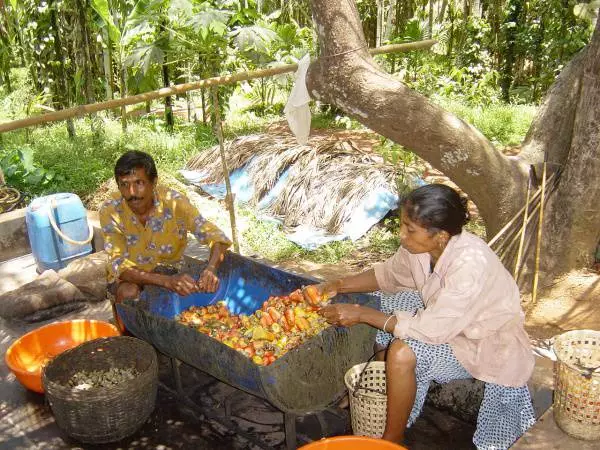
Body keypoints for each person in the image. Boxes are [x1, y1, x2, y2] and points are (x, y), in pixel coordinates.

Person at [308, 184, 535, 449]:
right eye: (402, 225)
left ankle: (393, 439)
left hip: (480, 340)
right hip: (446, 319)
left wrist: (363, 314)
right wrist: (337, 285)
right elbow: (389, 276)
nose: (402, 235)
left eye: (410, 229)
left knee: (403, 351)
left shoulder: (471, 264)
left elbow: (431, 330)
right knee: (388, 304)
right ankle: (383, 391)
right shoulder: (420, 249)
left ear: (440, 235)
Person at [100, 150, 232, 332]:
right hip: (131, 276)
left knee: (197, 304)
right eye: (124, 185)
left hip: (169, 269)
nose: (131, 193)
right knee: (128, 293)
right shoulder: (110, 210)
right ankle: (130, 339)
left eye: (139, 183)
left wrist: (211, 269)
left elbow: (217, 237)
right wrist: (166, 281)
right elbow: (119, 266)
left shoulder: (175, 203)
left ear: (154, 182)